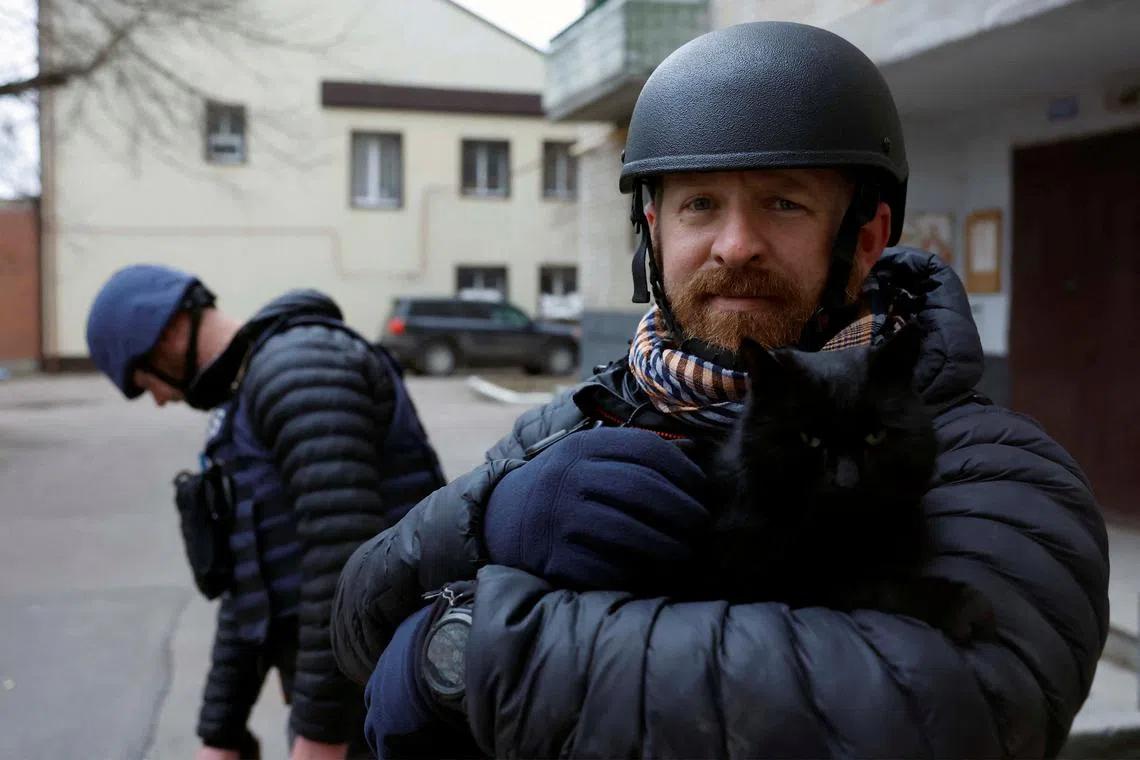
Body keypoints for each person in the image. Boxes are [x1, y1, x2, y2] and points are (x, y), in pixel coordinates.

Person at [330, 20, 1110, 759]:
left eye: (783, 202)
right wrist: (490, 524)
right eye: (700, 203)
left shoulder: (992, 462)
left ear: (866, 239)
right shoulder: (572, 425)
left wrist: (468, 655)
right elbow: (355, 621)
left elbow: (952, 706)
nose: (736, 245)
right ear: (653, 233)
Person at [84, 265, 447, 760]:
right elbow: (248, 589)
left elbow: (345, 562)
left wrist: (321, 737)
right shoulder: (247, 398)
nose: (161, 401)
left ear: (166, 333)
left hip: (384, 705)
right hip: (344, 704)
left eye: (145, 382)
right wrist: (221, 733)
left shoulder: (299, 366)